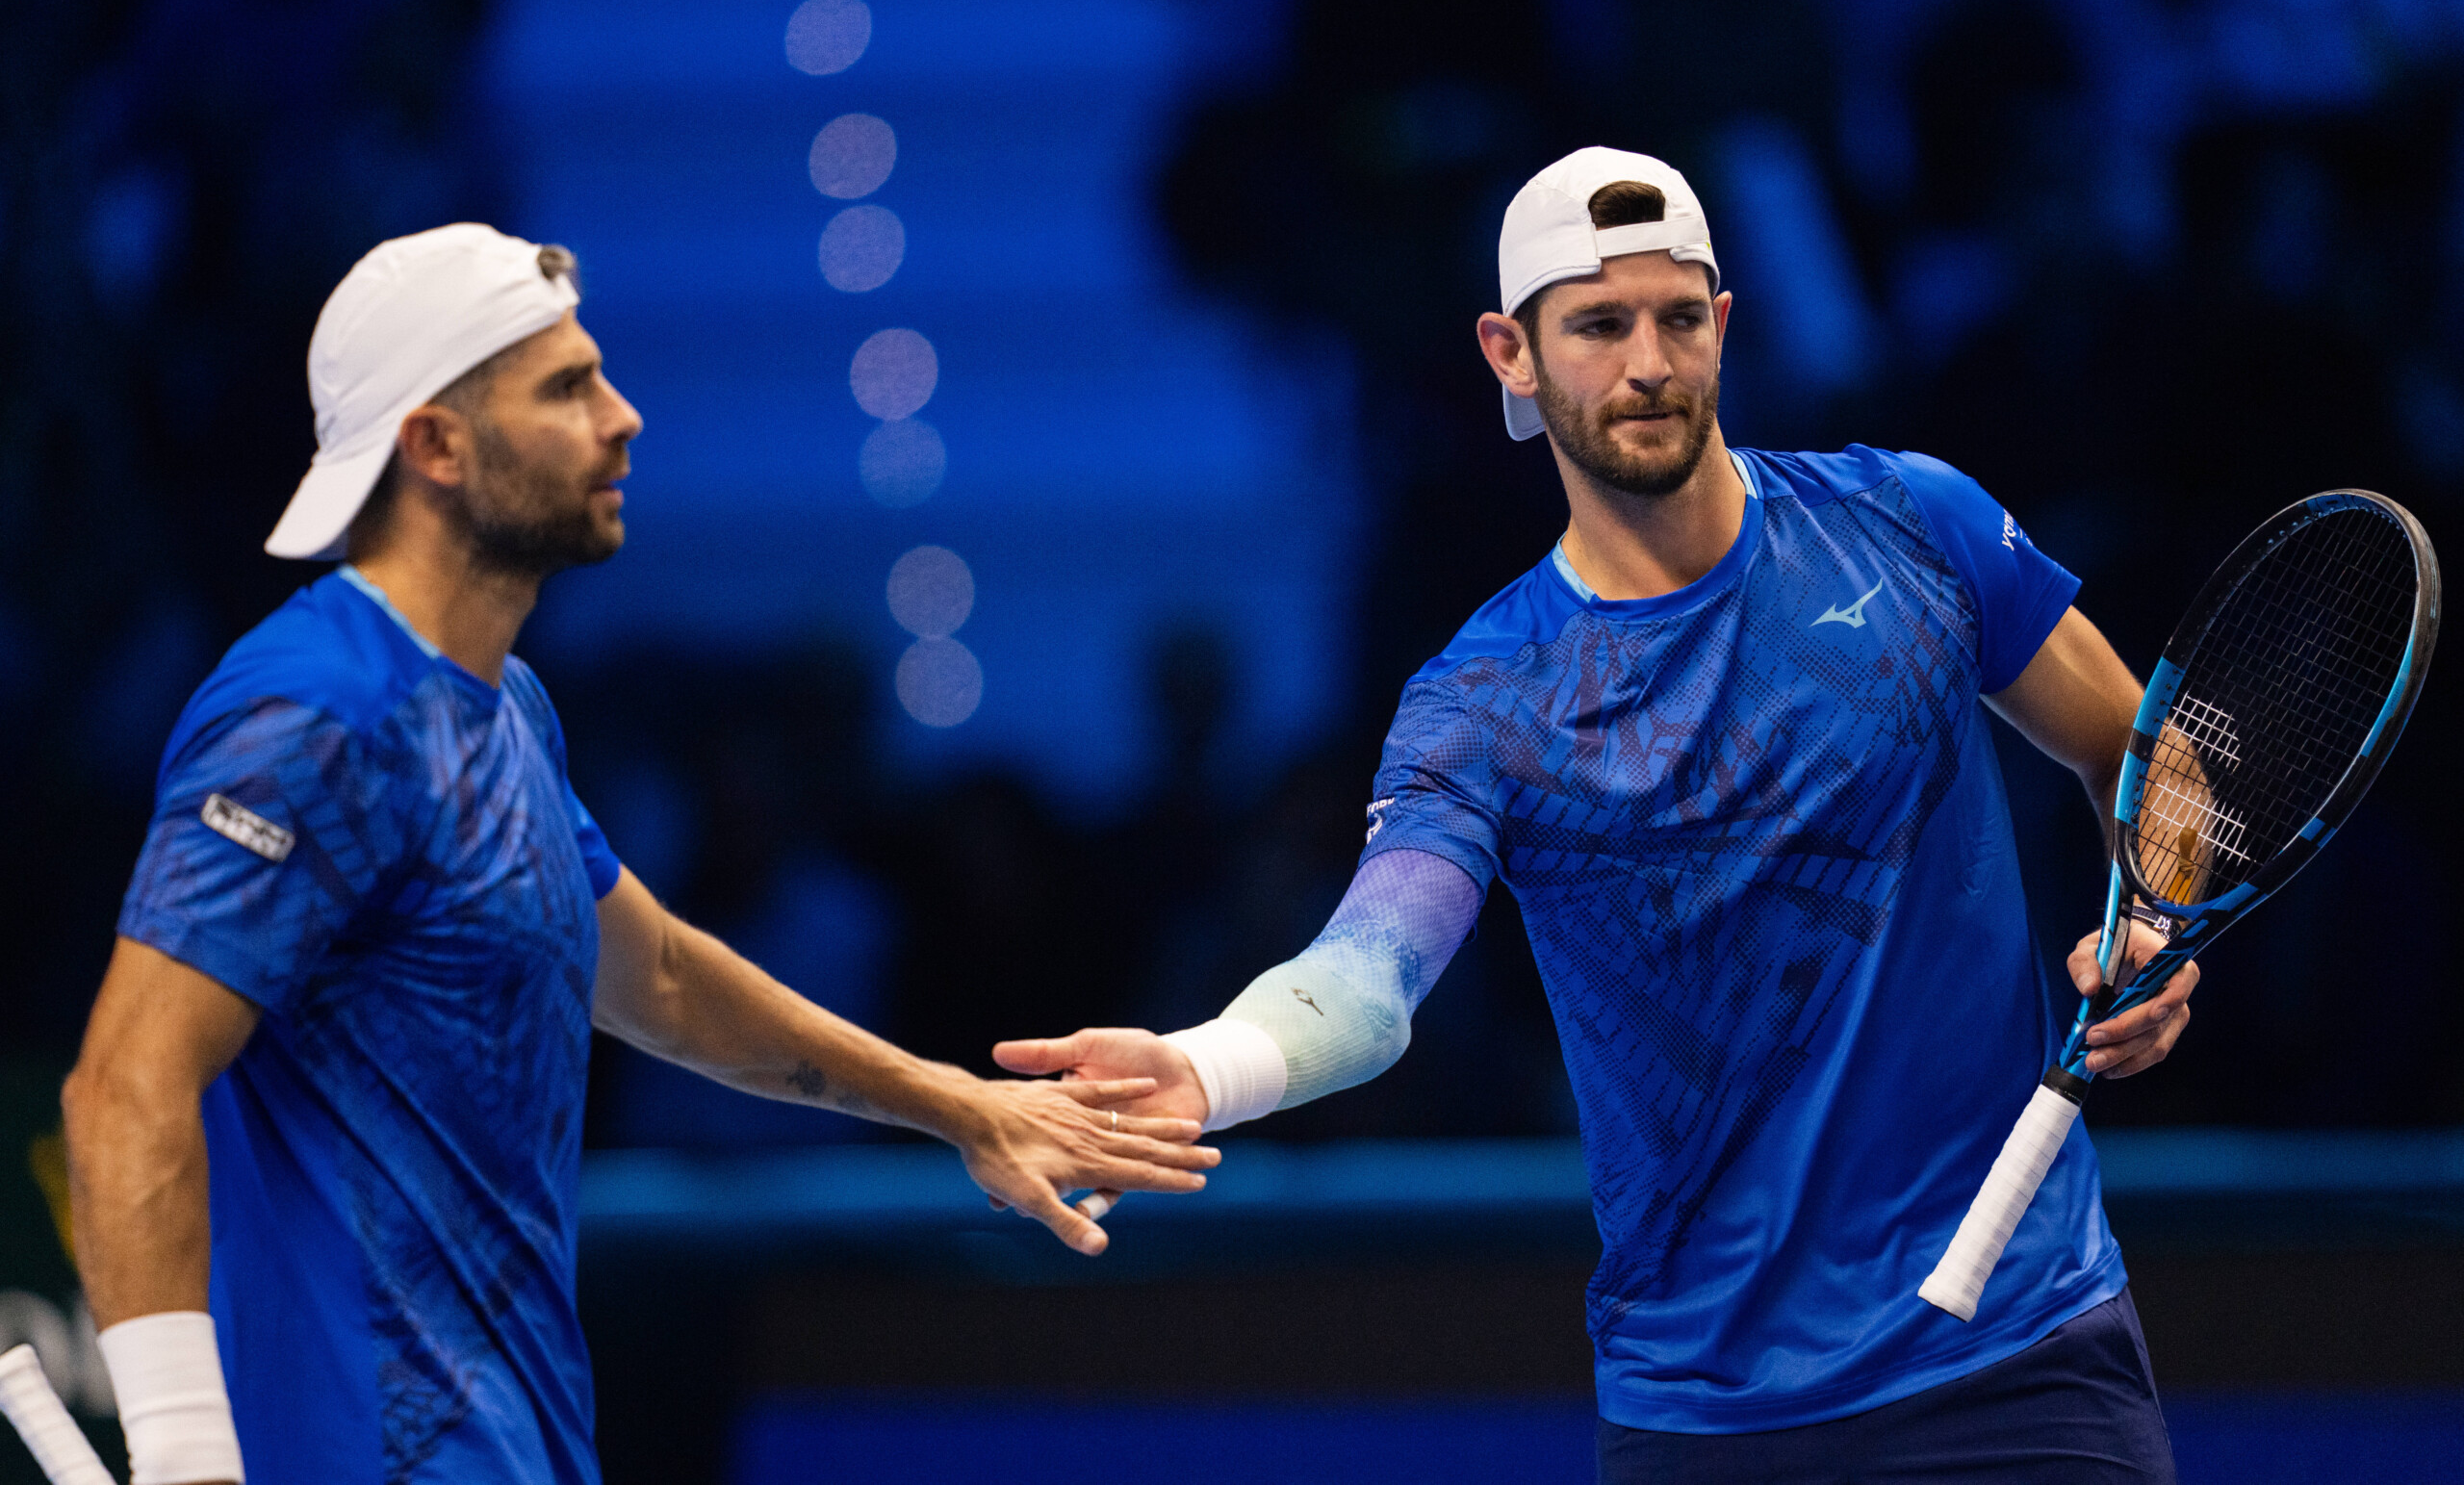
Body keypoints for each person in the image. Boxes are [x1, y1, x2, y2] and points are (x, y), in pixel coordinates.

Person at [998, 149, 2196, 1481]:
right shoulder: (1486, 700)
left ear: (1724, 327)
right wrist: (1213, 1067)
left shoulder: (1911, 523)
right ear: (1512, 354)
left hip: (2027, 1362)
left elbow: (2147, 755)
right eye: (1598, 326)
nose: (1647, 364)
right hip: (1713, 1415)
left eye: (1680, 318)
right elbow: (1371, 976)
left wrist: (2152, 919)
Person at [60, 225, 1217, 1485]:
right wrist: (182, 1460)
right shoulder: (309, 711)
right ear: (436, 445)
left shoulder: (506, 711)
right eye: (567, 389)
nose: (624, 418)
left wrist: (963, 1110)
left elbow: (654, 976)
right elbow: (125, 1086)